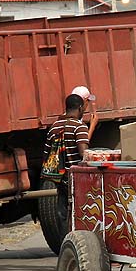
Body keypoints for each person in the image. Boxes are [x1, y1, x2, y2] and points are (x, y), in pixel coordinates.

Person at [44, 94, 92, 237]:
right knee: (81, 212)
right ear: (79, 108)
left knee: (63, 212)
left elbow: (47, 155)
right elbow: (84, 153)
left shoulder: (54, 128)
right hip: (77, 178)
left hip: (61, 179)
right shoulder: (79, 127)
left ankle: (66, 241)